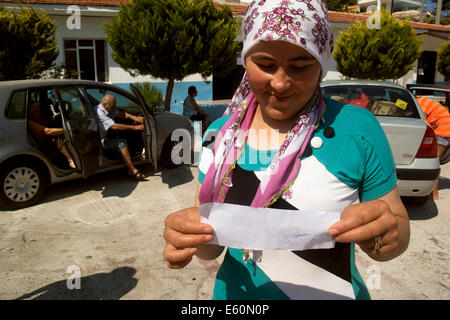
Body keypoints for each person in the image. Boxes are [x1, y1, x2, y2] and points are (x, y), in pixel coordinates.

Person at [163, 0, 410, 300]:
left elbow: (396, 227)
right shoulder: (220, 136)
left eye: (299, 67)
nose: (280, 83)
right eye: (265, 65)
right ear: (245, 61)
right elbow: (211, 243)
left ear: (321, 64)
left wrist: (387, 237)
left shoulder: (357, 129)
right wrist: (186, 240)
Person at [95, 94, 146, 180]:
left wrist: (135, 118)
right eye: (113, 107)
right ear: (107, 105)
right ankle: (132, 170)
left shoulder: (106, 108)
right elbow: (114, 126)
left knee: (120, 135)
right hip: (100, 141)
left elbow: (120, 114)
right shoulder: (100, 113)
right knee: (122, 143)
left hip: (105, 136)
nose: (115, 108)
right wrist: (135, 127)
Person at [416, 96, 450, 199]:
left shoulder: (420, 104)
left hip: (442, 132)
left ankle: (433, 194)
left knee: (434, 162)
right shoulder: (421, 101)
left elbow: (421, 121)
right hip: (443, 130)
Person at [28, 102, 77, 169]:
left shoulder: (38, 119)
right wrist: (66, 129)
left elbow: (47, 123)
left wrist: (53, 119)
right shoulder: (30, 123)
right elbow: (48, 131)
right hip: (40, 145)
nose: (39, 112)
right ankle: (70, 160)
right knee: (58, 138)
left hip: (45, 141)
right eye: (36, 110)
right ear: (31, 112)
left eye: (39, 110)